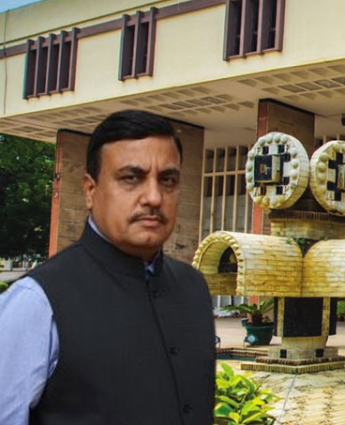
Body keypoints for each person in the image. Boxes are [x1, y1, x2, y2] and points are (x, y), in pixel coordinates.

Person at [0, 110, 216, 425]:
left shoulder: (193, 288)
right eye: (131, 178)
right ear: (90, 190)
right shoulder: (38, 302)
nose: (154, 197)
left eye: (167, 180)